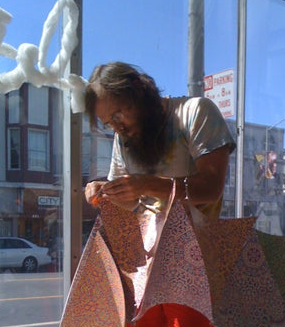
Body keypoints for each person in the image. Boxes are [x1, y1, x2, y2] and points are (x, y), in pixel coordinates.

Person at [84, 61, 236, 219]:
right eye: (109, 123)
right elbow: (130, 203)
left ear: (138, 90)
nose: (118, 127)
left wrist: (146, 185)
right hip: (149, 233)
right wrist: (108, 193)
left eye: (118, 115)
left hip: (198, 233)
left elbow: (210, 189)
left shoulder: (195, 112)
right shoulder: (123, 136)